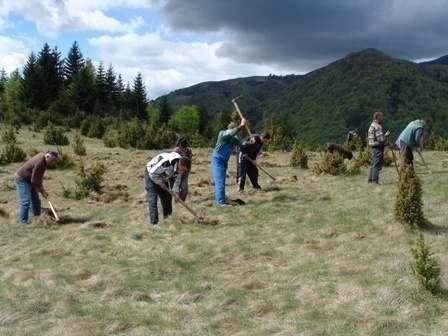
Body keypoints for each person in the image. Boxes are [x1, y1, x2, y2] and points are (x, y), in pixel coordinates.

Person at [144, 152, 191, 226]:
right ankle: (154, 223)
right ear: (180, 165)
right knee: (153, 198)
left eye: (184, 171)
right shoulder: (166, 163)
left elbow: (176, 181)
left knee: (167, 197)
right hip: (151, 173)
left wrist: (176, 193)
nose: (182, 172)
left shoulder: (180, 168)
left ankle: (168, 219)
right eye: (182, 169)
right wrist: (160, 183)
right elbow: (152, 173)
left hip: (163, 176)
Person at [14, 151, 59, 224]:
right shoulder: (40, 162)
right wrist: (42, 191)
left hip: (30, 179)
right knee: (25, 202)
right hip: (22, 179)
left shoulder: (44, 161)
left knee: (36, 201)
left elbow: (39, 177)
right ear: (48, 157)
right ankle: (22, 222)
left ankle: (38, 219)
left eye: (55, 161)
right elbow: (35, 180)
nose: (53, 162)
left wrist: (42, 190)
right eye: (53, 160)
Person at [211, 118, 246, 206]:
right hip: (217, 160)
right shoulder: (222, 134)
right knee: (219, 181)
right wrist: (241, 126)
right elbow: (231, 134)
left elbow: (242, 145)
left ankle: (222, 197)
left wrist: (251, 142)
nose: (236, 136)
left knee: (222, 181)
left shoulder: (234, 139)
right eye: (235, 132)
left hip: (224, 161)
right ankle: (220, 202)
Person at [367, 112, 390, 183]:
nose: (382, 119)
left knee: (373, 163)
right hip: (377, 147)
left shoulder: (372, 125)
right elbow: (381, 139)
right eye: (382, 117)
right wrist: (386, 135)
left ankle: (370, 180)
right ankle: (374, 181)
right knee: (376, 164)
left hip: (373, 146)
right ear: (378, 117)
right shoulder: (378, 126)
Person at [173, 137, 193, 201]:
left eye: (184, 146)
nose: (183, 148)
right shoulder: (176, 150)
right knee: (176, 187)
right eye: (182, 146)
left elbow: (189, 161)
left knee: (185, 188)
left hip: (185, 170)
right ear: (179, 144)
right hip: (177, 171)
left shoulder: (189, 151)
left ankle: (182, 200)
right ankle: (177, 200)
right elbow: (173, 161)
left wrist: (188, 170)